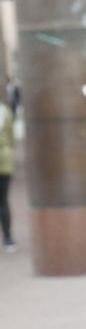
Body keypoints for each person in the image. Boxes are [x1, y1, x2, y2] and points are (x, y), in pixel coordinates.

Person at [0, 92, 15, 250]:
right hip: (4, 162)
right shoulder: (4, 111)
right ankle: (8, 237)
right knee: (3, 201)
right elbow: (11, 138)